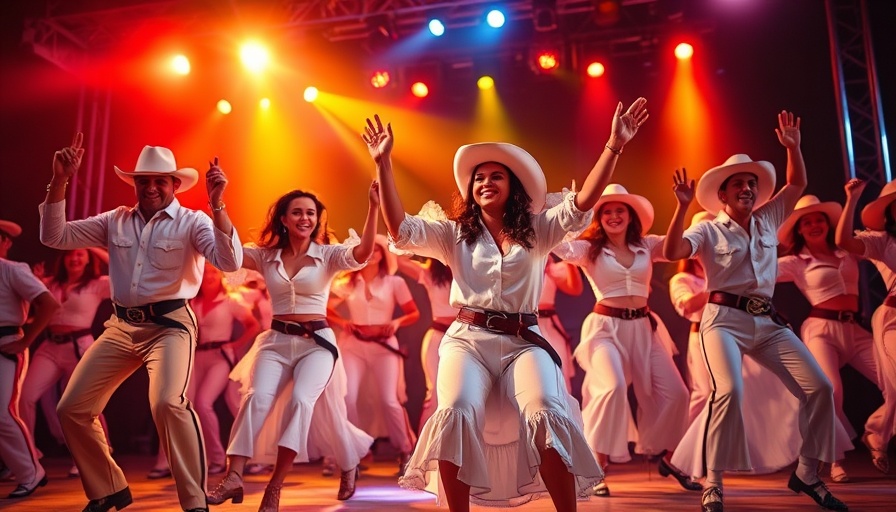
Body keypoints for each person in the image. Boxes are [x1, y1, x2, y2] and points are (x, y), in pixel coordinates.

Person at [364, 97, 649, 511]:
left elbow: (583, 203)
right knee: (455, 412)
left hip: (524, 340)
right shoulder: (452, 234)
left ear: (512, 186)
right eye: (478, 178)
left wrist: (614, 146)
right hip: (467, 340)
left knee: (548, 412)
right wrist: (383, 163)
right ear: (470, 189)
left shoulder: (540, 228)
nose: (485, 182)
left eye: (496, 176)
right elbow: (401, 228)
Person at [39, 132, 243, 512]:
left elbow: (230, 263)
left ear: (174, 185)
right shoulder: (115, 220)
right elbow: (54, 236)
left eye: (159, 181)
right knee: (71, 408)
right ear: (135, 184)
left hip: (170, 325)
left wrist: (217, 205)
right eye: (143, 180)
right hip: (120, 328)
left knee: (168, 403)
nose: (150, 187)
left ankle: (195, 502)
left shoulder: (192, 221)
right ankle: (108, 488)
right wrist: (61, 180)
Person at [663, 111, 846, 512]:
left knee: (820, 389)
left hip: (767, 322)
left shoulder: (769, 217)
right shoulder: (708, 228)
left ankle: (807, 473)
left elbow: (797, 182)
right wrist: (680, 208)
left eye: (751, 183)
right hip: (723, 322)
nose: (746, 188)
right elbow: (672, 252)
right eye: (738, 184)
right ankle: (713, 483)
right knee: (727, 391)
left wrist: (793, 147)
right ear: (723, 196)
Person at [208, 183, 379, 510]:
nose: (305, 218)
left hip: (317, 345)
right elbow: (230, 253)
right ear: (284, 219)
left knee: (303, 401)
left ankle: (275, 486)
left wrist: (372, 207)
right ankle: (233, 477)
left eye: (311, 213)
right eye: (297, 212)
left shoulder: (327, 256)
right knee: (256, 398)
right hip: (275, 342)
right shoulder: (266, 256)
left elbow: (362, 253)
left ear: (317, 220)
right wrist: (218, 205)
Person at [552, 183, 693, 496]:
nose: (614, 216)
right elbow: (557, 244)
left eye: (620, 210)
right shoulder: (589, 249)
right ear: (599, 219)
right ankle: (594, 468)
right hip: (605, 330)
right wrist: (568, 209)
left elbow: (676, 247)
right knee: (612, 387)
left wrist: (682, 207)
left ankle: (670, 457)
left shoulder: (648, 245)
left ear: (631, 216)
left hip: (645, 328)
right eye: (607, 212)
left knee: (678, 394)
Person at [669, 213, 801, 478]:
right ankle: (686, 461)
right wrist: (720, 284)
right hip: (703, 338)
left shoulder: (737, 266)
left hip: (736, 334)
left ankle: (705, 459)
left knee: (744, 393)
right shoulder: (682, 280)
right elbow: (685, 306)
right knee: (706, 396)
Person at [779, 194, 888, 482]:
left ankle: (876, 432)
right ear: (799, 230)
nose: (814, 225)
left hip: (855, 329)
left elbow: (881, 247)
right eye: (807, 222)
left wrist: (853, 201)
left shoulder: (846, 251)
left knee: (892, 380)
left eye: (819, 220)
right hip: (821, 330)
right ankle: (835, 459)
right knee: (830, 391)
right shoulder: (795, 261)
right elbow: (759, 273)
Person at [148, 262, 261, 479]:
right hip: (195, 356)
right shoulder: (192, 302)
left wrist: (235, 345)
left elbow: (253, 325)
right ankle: (166, 461)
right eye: (205, 272)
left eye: (213, 272)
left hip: (220, 357)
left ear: (221, 277)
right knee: (178, 404)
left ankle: (218, 458)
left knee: (203, 402)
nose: (209, 276)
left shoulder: (230, 301)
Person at [327, 234, 420, 472]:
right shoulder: (346, 282)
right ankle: (354, 452)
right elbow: (324, 307)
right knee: (348, 397)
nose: (370, 255)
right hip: (353, 344)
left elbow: (413, 313)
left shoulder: (393, 282)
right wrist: (342, 322)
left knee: (389, 399)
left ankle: (405, 451)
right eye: (366, 251)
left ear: (382, 255)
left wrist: (397, 323)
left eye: (375, 251)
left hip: (384, 345)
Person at [20, 248, 112, 479]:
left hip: (79, 346)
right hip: (50, 346)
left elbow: (124, 268)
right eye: (71, 253)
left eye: (81, 254)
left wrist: (92, 247)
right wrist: (37, 285)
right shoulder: (51, 282)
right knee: (24, 397)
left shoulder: (97, 284)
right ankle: (27, 457)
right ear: (63, 259)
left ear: (89, 260)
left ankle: (93, 455)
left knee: (81, 404)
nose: (75, 257)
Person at [835, 177, 896, 475]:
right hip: (892, 321)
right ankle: (876, 431)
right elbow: (843, 241)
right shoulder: (882, 240)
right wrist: (852, 199)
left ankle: (876, 430)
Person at [0, 219, 60, 499]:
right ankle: (17, 466)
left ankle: (31, 472)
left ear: (6, 242)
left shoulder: (12, 270)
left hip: (7, 344)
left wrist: (25, 340)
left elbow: (48, 303)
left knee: (4, 413)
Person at [394, 254, 456, 431]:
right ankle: (426, 451)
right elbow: (399, 260)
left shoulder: (469, 267)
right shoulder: (430, 271)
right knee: (435, 392)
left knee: (463, 394)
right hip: (437, 336)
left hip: (464, 336)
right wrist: (423, 244)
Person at [537, 256, 583, 393]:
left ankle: (563, 412)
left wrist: (570, 259)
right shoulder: (516, 260)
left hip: (549, 325)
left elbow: (575, 289)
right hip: (525, 325)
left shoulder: (552, 267)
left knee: (559, 373)